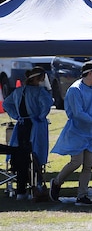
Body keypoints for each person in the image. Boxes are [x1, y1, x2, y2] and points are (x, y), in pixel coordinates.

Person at [50, 61, 92, 206]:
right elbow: (77, 113)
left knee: (88, 164)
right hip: (77, 132)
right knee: (76, 162)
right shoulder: (75, 90)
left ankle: (82, 196)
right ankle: (57, 182)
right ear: (89, 73)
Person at [5, 67, 54, 200]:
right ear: (39, 78)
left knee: (20, 157)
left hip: (21, 127)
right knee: (35, 158)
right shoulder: (40, 92)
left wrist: (16, 116)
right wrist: (41, 117)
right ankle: (36, 186)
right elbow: (47, 105)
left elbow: (6, 104)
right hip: (35, 128)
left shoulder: (18, 91)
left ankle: (21, 190)